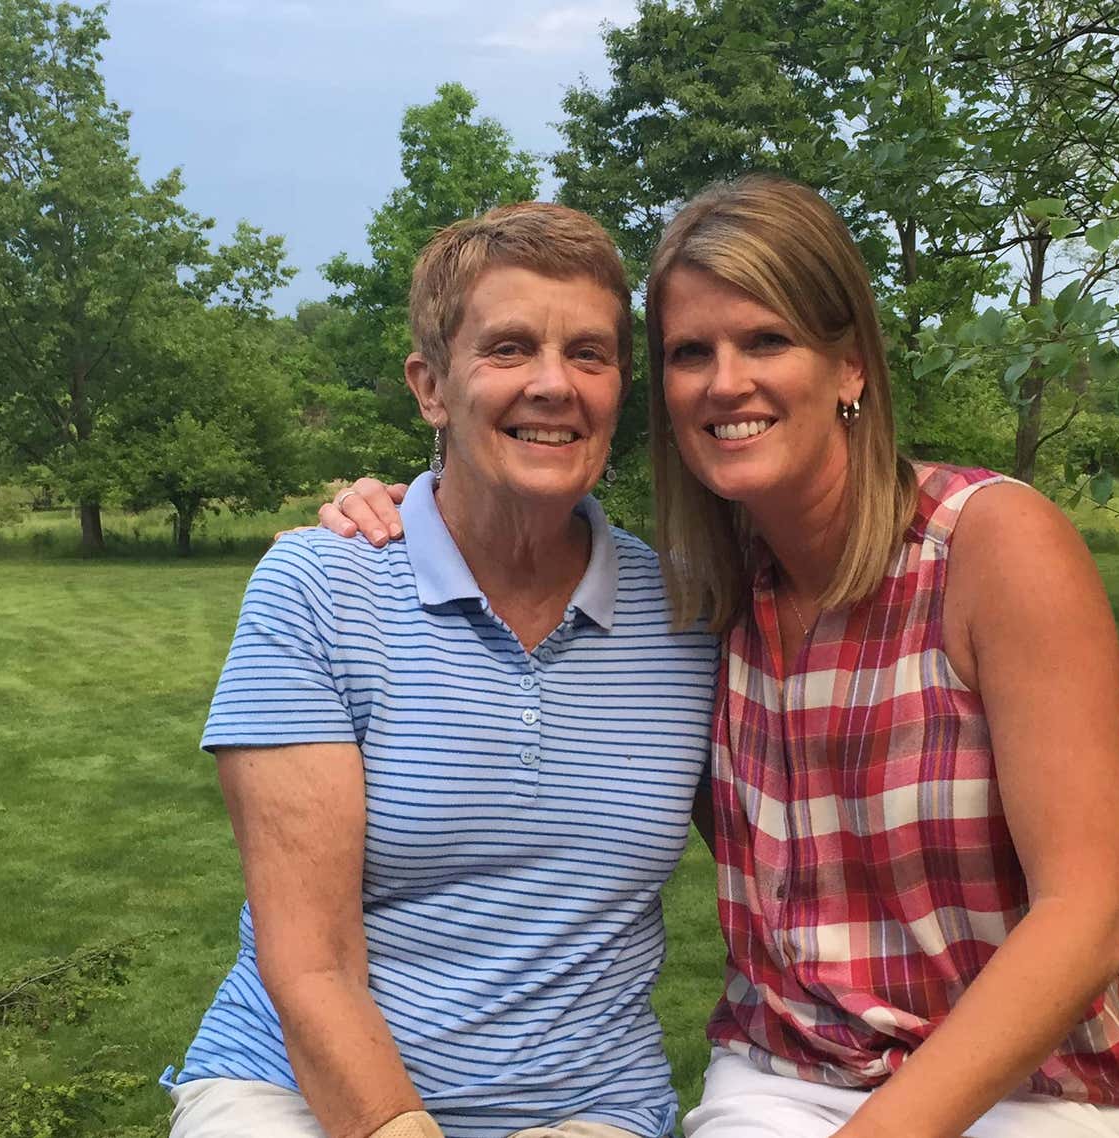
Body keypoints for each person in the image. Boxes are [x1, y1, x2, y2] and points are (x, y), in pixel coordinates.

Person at [322, 176, 1119, 1138]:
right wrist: (407, 510)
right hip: (784, 1074)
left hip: (1019, 1083)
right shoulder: (706, 602)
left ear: (850, 366)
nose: (726, 381)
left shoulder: (989, 545)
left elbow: (1091, 914)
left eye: (766, 339)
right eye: (691, 353)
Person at [162, 202, 719, 1138]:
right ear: (431, 385)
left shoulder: (686, 619)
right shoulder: (319, 589)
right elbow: (312, 964)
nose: (555, 385)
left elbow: (794, 861)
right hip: (299, 1090)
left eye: (590, 354)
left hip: (588, 1107)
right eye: (508, 349)